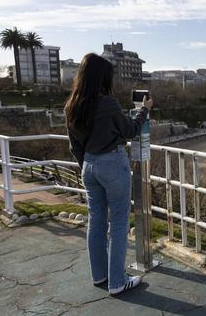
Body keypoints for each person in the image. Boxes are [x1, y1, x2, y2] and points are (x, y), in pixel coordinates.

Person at [64, 53, 153, 296]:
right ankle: (117, 281)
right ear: (103, 78)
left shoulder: (72, 105)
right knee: (119, 222)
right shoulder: (108, 104)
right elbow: (130, 130)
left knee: (96, 220)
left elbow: (75, 145)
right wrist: (144, 110)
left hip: (88, 167)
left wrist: (88, 165)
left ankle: (100, 275)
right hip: (112, 164)